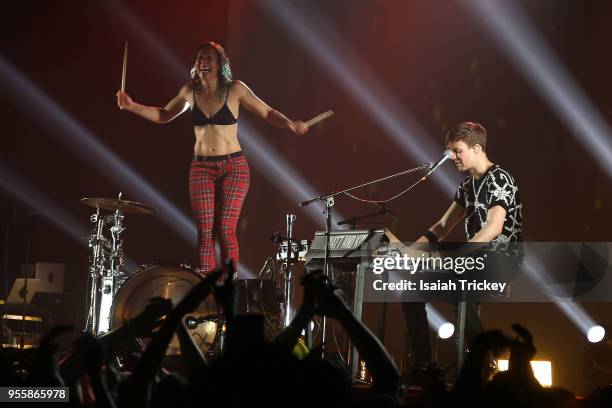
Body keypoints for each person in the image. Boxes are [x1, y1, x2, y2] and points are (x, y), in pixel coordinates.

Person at [116, 41, 308, 274]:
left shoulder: (235, 89)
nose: (204, 63)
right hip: (201, 167)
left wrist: (289, 123)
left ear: (219, 63)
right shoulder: (189, 91)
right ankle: (209, 288)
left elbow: (267, 112)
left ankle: (228, 285)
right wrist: (133, 105)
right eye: (200, 58)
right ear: (195, 64)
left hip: (234, 166)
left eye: (209, 58)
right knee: (205, 232)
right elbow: (164, 114)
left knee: (226, 229)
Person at [402, 121, 523, 368]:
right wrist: (409, 250)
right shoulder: (467, 184)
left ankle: (485, 362)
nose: (452, 157)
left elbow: (493, 228)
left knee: (459, 288)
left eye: (457, 151)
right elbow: (443, 227)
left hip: (502, 259)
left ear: (477, 148)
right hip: (474, 258)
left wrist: (458, 257)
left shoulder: (500, 179)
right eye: (449, 151)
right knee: (411, 292)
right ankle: (423, 365)